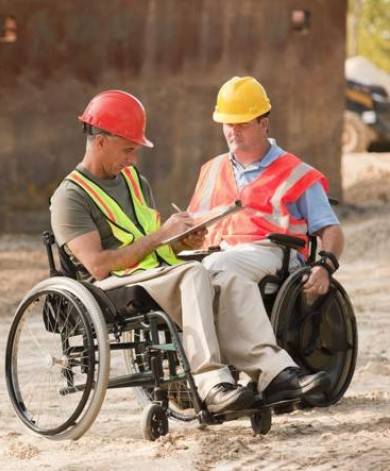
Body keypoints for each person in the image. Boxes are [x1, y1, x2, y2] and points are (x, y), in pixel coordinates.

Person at [50, 90, 330, 414]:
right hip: (112, 286)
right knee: (195, 274)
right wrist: (160, 237)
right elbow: (98, 266)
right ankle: (212, 384)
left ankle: (274, 374)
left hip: (152, 272)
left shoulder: (133, 180)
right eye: (128, 149)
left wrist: (182, 240)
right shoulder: (70, 198)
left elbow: (149, 240)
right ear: (101, 141)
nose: (133, 159)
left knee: (229, 278)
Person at [188, 76, 344, 297]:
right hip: (222, 253)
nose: (233, 131)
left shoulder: (296, 172)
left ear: (264, 124)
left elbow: (331, 228)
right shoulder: (211, 169)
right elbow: (192, 225)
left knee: (213, 268)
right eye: (228, 124)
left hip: (274, 257)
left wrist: (325, 267)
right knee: (194, 274)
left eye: (242, 123)